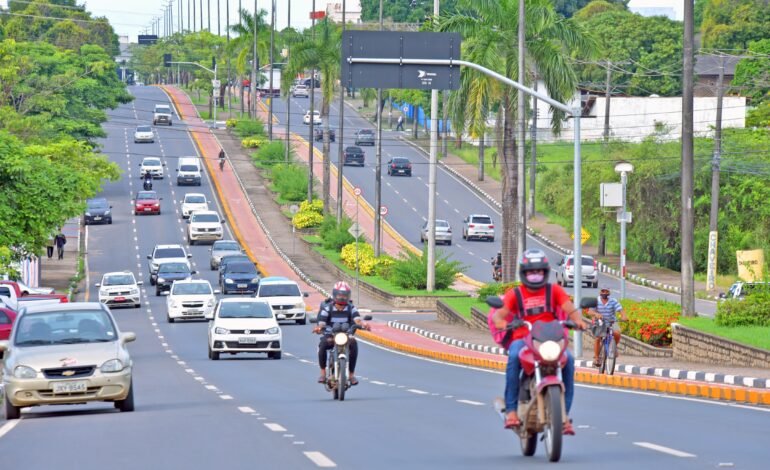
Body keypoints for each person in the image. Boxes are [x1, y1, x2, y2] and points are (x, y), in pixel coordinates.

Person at [492, 249, 587, 435]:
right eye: (531, 272)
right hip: (523, 339)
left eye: (539, 272)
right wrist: (504, 323)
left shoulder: (554, 291)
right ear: (524, 273)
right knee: (513, 358)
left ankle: (564, 416)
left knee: (568, 360)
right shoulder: (515, 294)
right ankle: (511, 410)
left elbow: (569, 309)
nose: (535, 276)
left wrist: (578, 320)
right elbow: (498, 316)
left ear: (545, 272)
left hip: (550, 340)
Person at [313, 281, 370, 385]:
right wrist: (319, 328)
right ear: (335, 294)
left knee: (353, 343)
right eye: (340, 295)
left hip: (346, 335)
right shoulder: (327, 308)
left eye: (344, 295)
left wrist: (363, 324)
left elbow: (357, 319)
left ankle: (351, 374)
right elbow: (321, 322)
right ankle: (322, 372)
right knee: (323, 344)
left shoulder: (351, 308)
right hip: (330, 335)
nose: (342, 297)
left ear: (348, 296)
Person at [589, 287, 628, 366]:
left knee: (617, 333)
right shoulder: (596, 301)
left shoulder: (613, 301)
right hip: (599, 322)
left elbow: (620, 310)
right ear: (600, 292)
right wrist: (596, 314)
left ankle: (613, 348)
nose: (604, 293)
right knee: (597, 338)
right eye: (602, 291)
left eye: (606, 291)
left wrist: (624, 316)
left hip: (611, 321)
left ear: (609, 292)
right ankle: (596, 358)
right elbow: (590, 311)